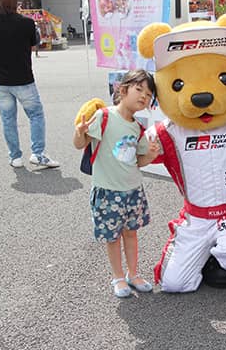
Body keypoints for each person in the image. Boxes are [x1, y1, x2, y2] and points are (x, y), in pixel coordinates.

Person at [73, 69, 159, 298]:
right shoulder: (104, 116)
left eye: (148, 94)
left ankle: (133, 274)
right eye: (138, 89)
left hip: (133, 191)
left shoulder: (138, 128)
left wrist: (150, 156)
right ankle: (118, 277)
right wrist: (79, 133)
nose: (143, 96)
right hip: (108, 192)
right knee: (113, 238)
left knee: (131, 234)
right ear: (122, 90)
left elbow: (137, 161)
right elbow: (79, 143)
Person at [0, 0, 59, 168]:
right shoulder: (26, 23)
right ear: (15, 3)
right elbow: (34, 46)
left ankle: (15, 157)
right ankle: (38, 153)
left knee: (8, 119)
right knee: (35, 115)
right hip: (24, 78)